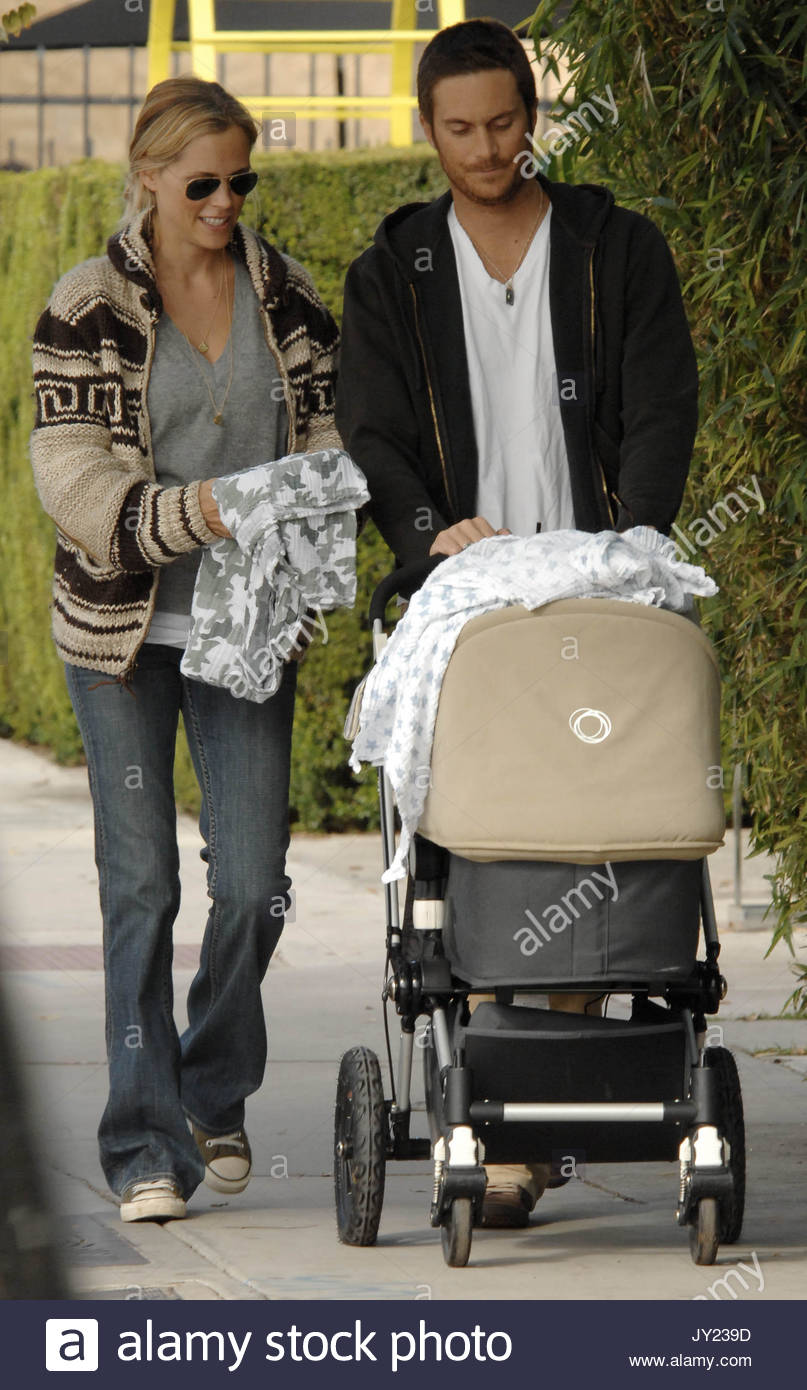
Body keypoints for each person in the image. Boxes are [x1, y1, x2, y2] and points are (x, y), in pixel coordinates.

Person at [336, 19, 698, 1226]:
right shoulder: (394, 269)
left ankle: (540, 1107)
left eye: (504, 122)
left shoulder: (612, 247)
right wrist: (429, 528)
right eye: (460, 129)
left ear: (531, 117)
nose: (486, 148)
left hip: (593, 580)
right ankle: (500, 1098)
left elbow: (661, 400)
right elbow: (374, 428)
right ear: (428, 129)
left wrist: (635, 535)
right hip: (470, 596)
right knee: (487, 832)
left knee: (597, 823)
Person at [30, 77, 339, 1223]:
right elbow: (72, 477)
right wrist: (198, 513)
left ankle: (212, 1087)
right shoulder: (85, 304)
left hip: (249, 630)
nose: (223, 201)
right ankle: (143, 1144)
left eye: (239, 181)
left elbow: (325, 434)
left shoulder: (289, 296)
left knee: (254, 885)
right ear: (148, 174)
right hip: (122, 635)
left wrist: (314, 523)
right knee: (143, 886)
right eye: (202, 182)